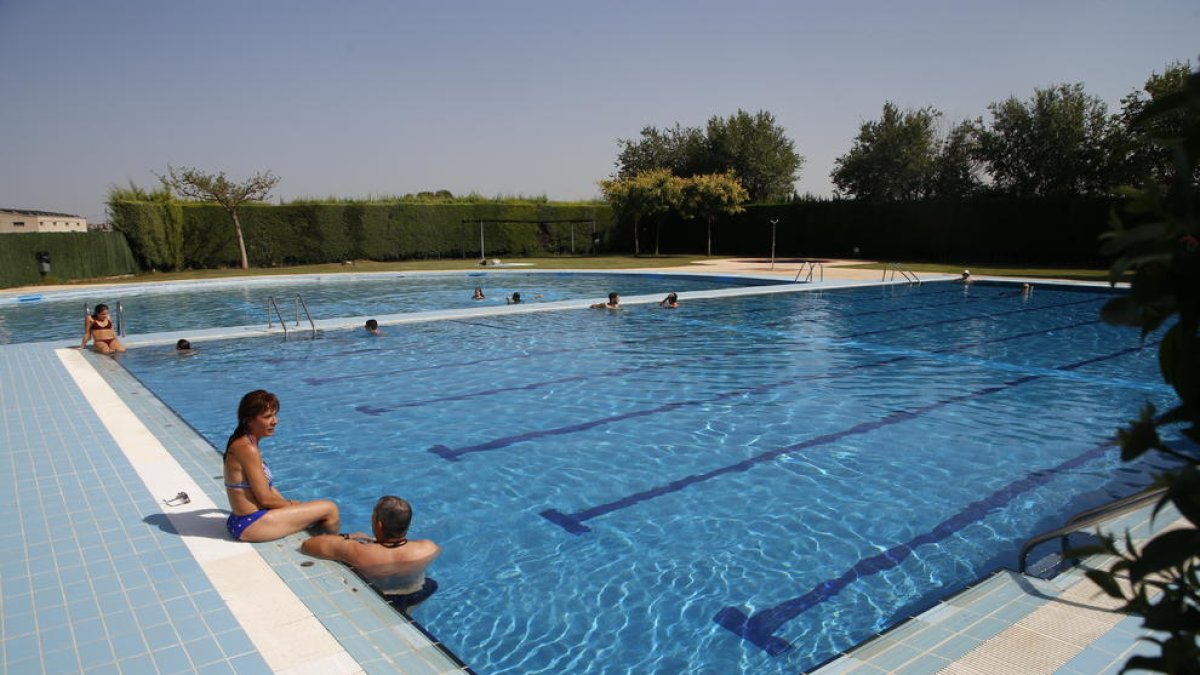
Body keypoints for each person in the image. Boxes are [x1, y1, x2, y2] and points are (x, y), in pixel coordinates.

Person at [223, 390, 340, 542]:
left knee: (312, 513)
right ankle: (335, 548)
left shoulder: (244, 441)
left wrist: (293, 507)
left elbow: (268, 488)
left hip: (241, 520)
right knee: (330, 508)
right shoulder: (247, 448)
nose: (275, 421)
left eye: (275, 415)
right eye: (267, 417)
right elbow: (265, 499)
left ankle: (323, 541)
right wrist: (291, 505)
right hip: (251, 524)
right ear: (249, 420)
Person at [301, 495, 441, 613]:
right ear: (407, 525)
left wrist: (348, 537)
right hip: (414, 595)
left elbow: (308, 545)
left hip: (378, 598)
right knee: (431, 584)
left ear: (379, 524)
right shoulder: (428, 547)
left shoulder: (357, 550)